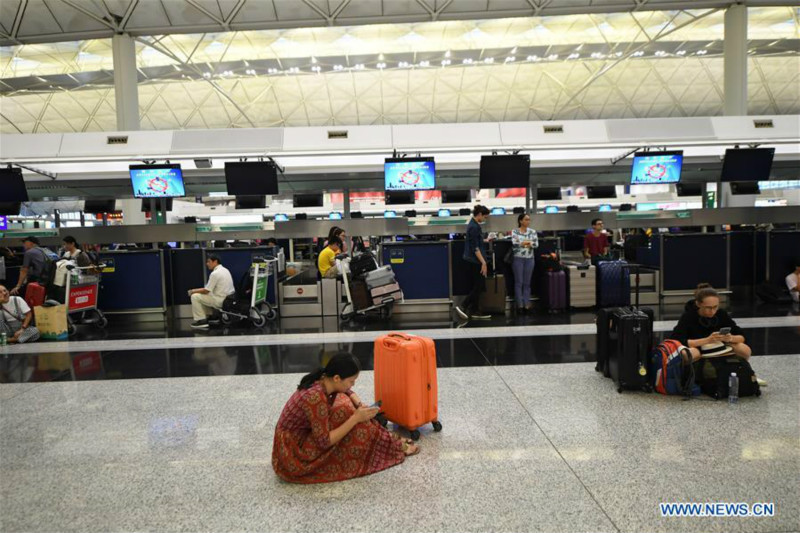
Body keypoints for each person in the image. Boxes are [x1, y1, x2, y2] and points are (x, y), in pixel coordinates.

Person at [272, 352, 418, 484]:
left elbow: (347, 390)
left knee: (349, 408)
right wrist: (355, 418)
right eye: (351, 380)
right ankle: (392, 444)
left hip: (301, 434)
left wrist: (359, 404)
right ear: (337, 378)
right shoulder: (316, 397)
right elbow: (324, 442)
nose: (352, 384)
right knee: (357, 426)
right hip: (293, 451)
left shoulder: (324, 378)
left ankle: (389, 440)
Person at [671, 284, 752, 363]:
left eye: (715, 307)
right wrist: (707, 340)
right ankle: (692, 373)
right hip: (697, 347)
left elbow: (742, 336)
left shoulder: (721, 314)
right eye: (708, 307)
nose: (712, 311)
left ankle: (741, 371)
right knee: (688, 354)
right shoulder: (688, 316)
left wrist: (730, 338)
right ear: (698, 304)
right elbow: (678, 340)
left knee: (744, 349)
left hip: (720, 346)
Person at [455, 205, 491, 321]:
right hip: (475, 261)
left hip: (472, 260)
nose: (485, 219)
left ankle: (475, 311)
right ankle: (463, 305)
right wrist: (483, 263)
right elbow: (475, 248)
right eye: (485, 217)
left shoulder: (473, 225)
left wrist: (485, 240)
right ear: (479, 214)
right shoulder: (474, 227)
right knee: (479, 286)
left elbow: (475, 242)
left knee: (477, 285)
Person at [188, 254, 235, 329]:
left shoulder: (215, 273)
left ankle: (201, 321)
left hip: (220, 300)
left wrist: (192, 291)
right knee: (203, 296)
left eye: (209, 262)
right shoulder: (225, 270)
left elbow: (206, 290)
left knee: (195, 296)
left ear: (215, 261)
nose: (207, 264)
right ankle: (214, 317)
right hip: (228, 299)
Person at [511, 213, 538, 313]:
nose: (528, 221)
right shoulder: (514, 231)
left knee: (527, 283)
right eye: (526, 219)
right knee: (519, 282)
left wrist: (523, 242)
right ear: (520, 221)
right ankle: (520, 305)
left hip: (530, 259)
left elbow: (535, 244)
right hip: (518, 259)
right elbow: (515, 243)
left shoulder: (533, 232)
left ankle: (527, 304)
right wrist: (528, 243)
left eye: (529, 220)